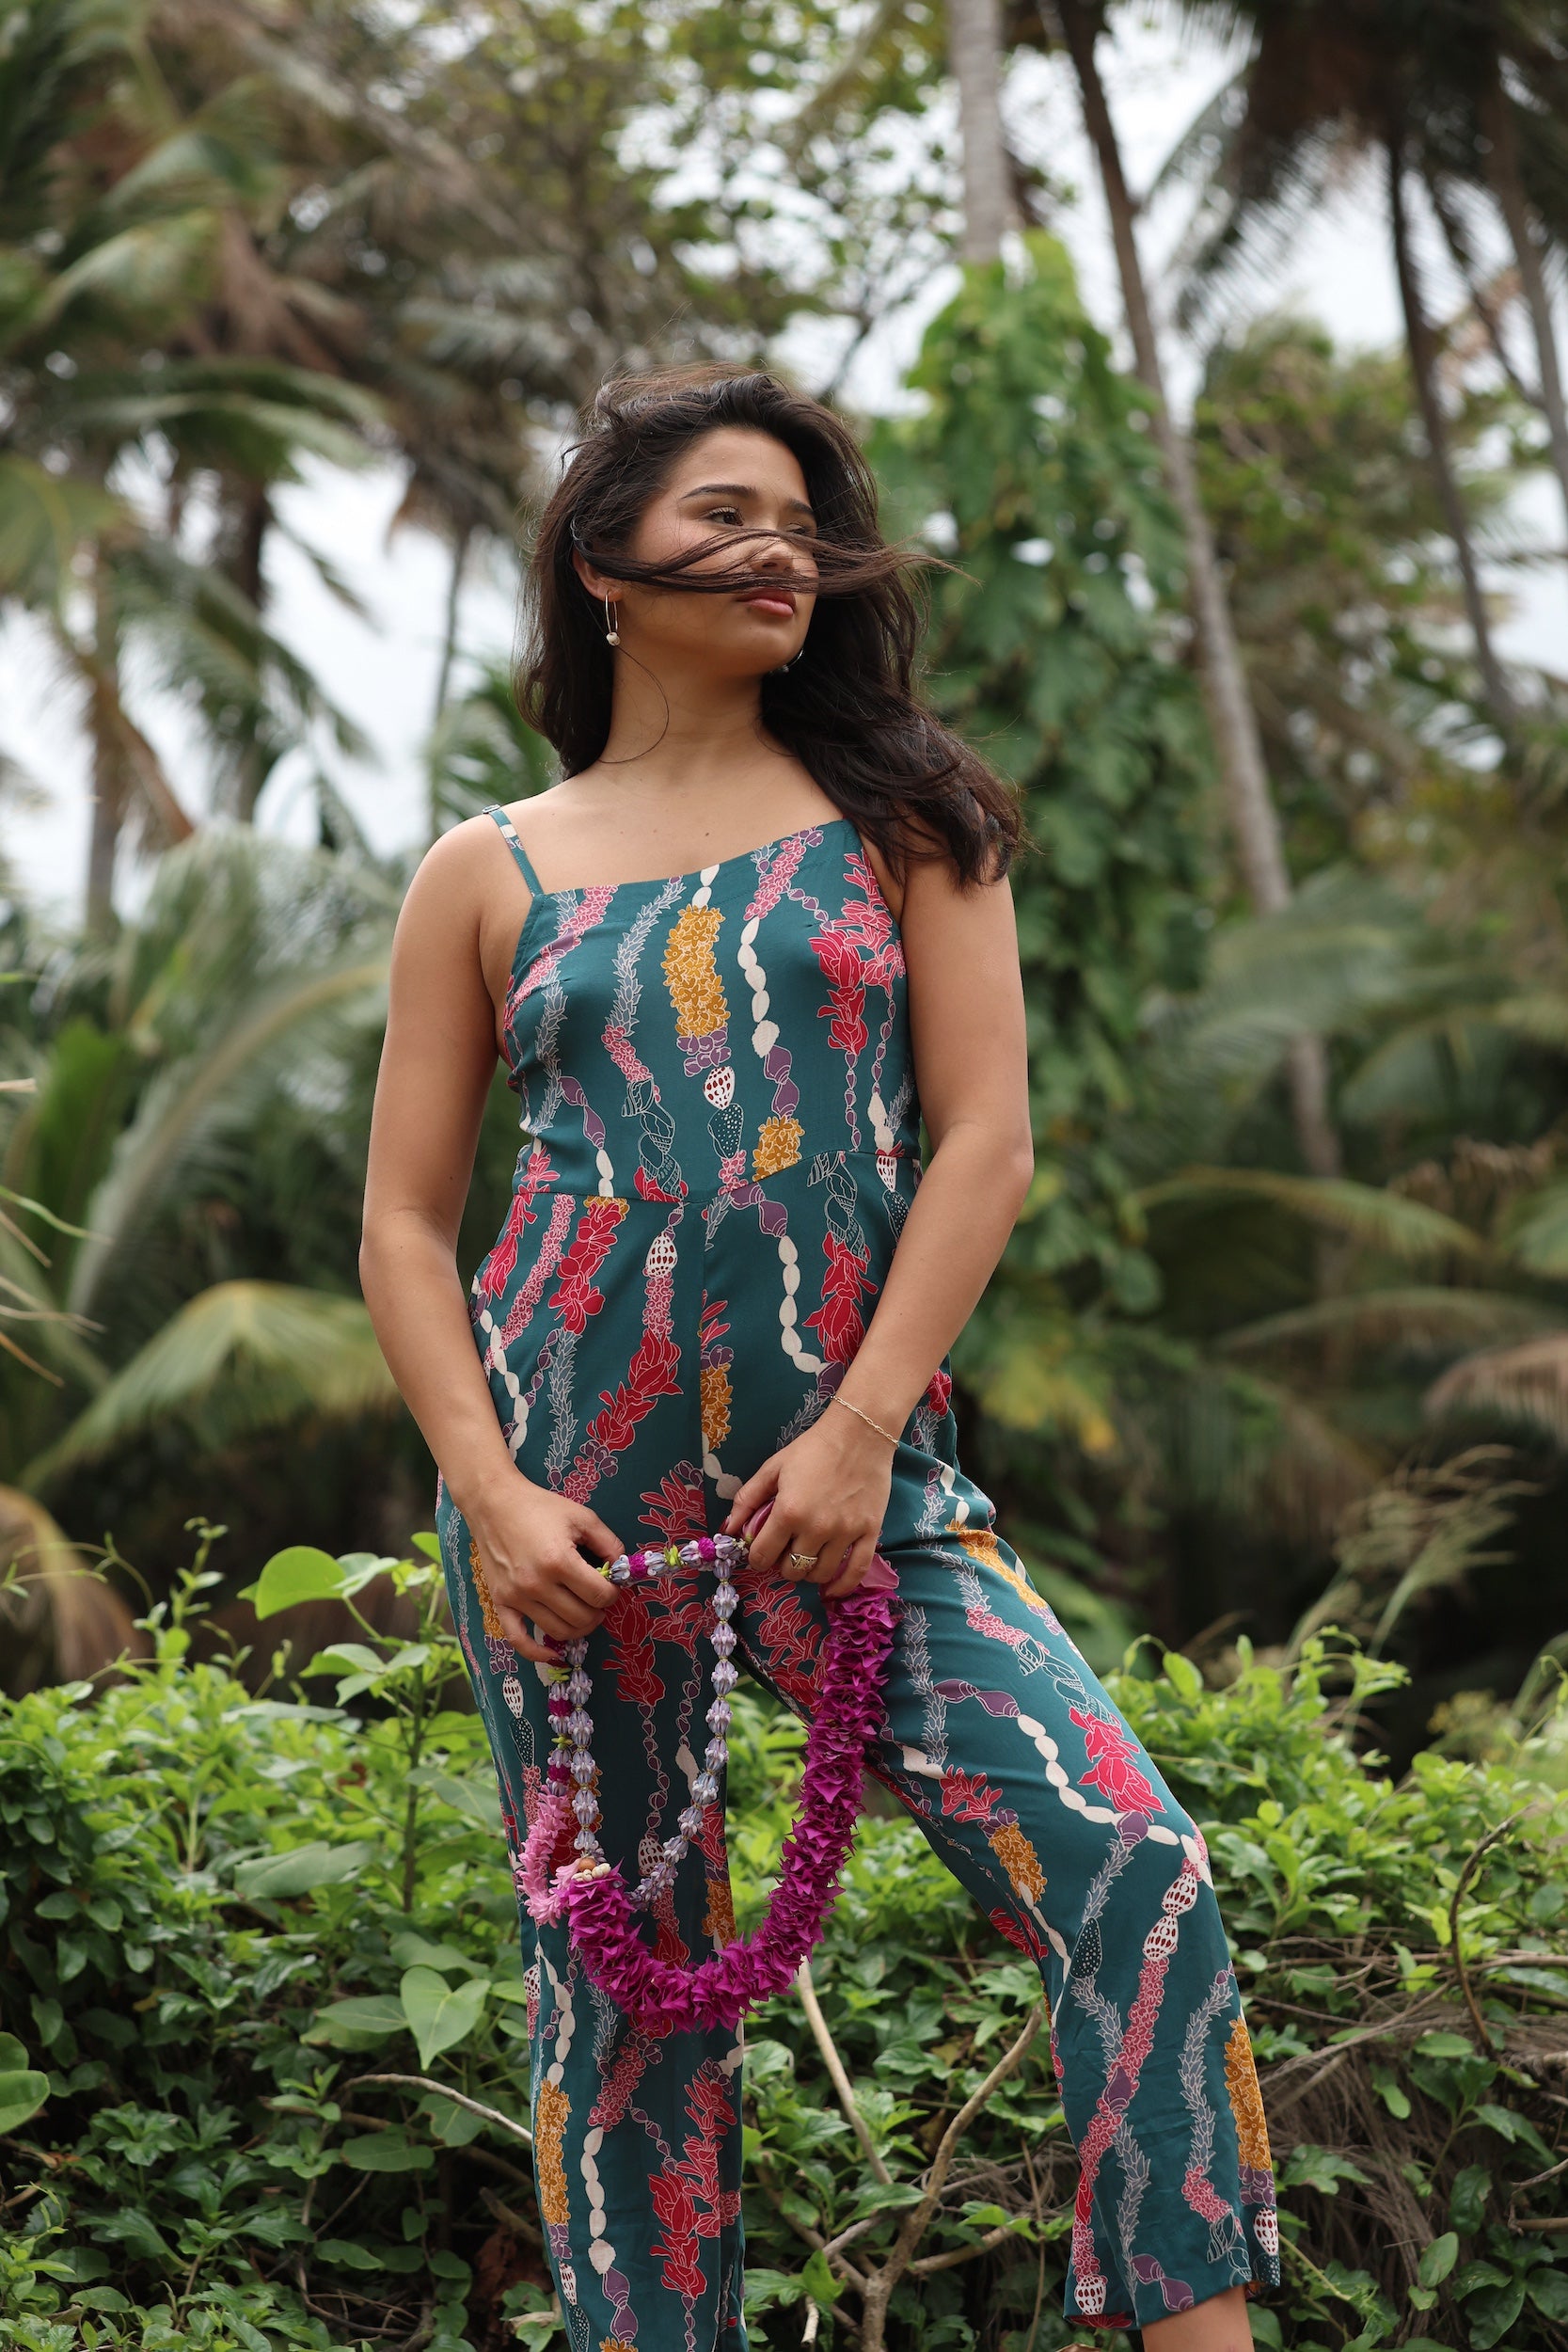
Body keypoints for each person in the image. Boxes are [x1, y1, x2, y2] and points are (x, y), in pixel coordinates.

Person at [359, 363, 1280, 2351]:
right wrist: (494, 1491)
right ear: (604, 564)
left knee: (1132, 1864)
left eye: (796, 515)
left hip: (863, 1489)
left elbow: (989, 1139)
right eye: (721, 513)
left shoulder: (902, 813)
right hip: (568, 1518)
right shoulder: (486, 871)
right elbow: (408, 1226)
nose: (775, 544)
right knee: (624, 2012)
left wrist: (864, 1427)